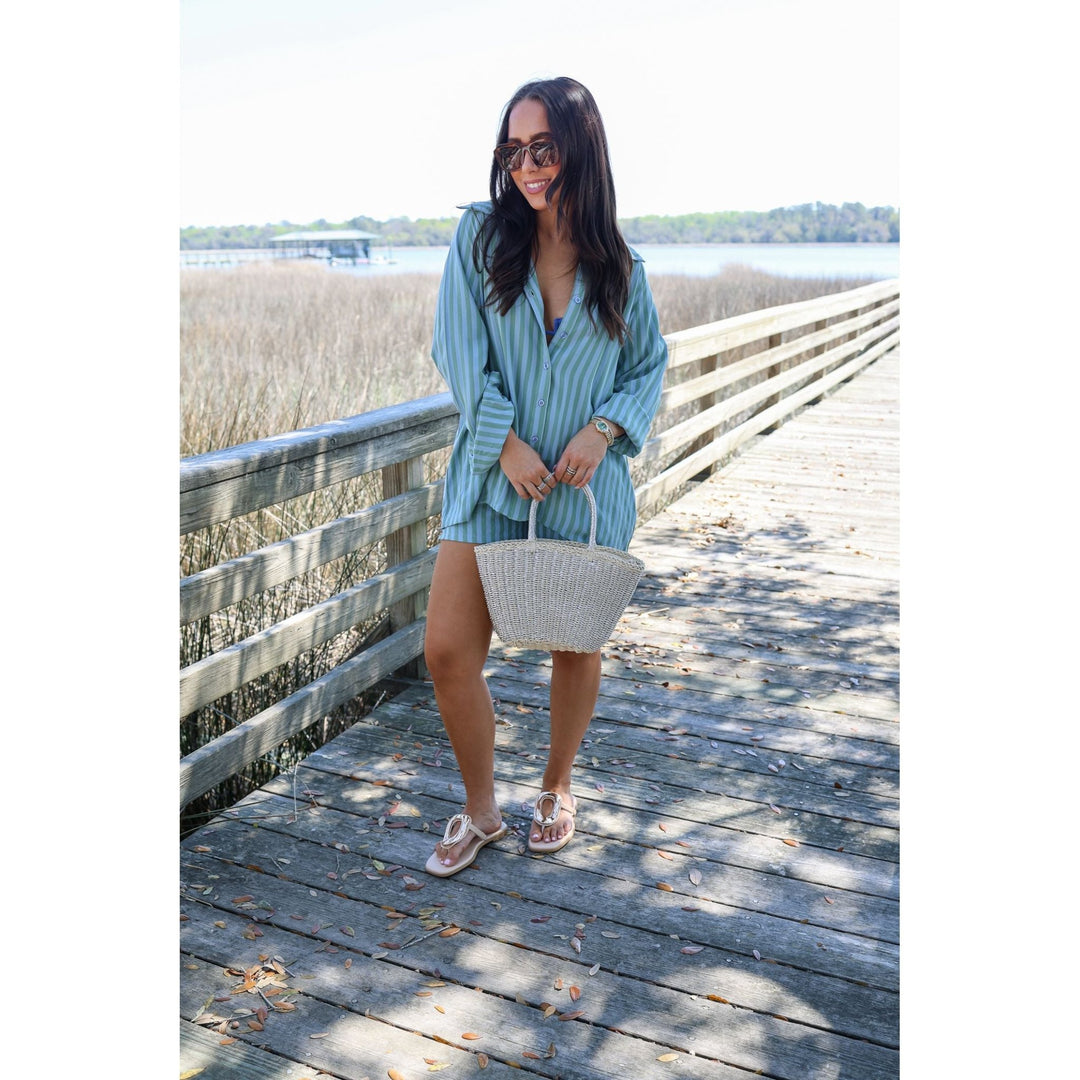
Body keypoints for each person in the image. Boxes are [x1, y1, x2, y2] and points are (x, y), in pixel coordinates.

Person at [423, 76, 668, 876]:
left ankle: (558, 788)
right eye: (512, 149)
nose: (525, 165)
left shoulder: (622, 267)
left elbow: (649, 369)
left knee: (574, 640)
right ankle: (481, 808)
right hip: (489, 482)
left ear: (580, 151)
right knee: (446, 650)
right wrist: (504, 443)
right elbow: (458, 350)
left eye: (543, 148)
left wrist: (605, 432)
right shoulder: (480, 238)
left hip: (582, 491)